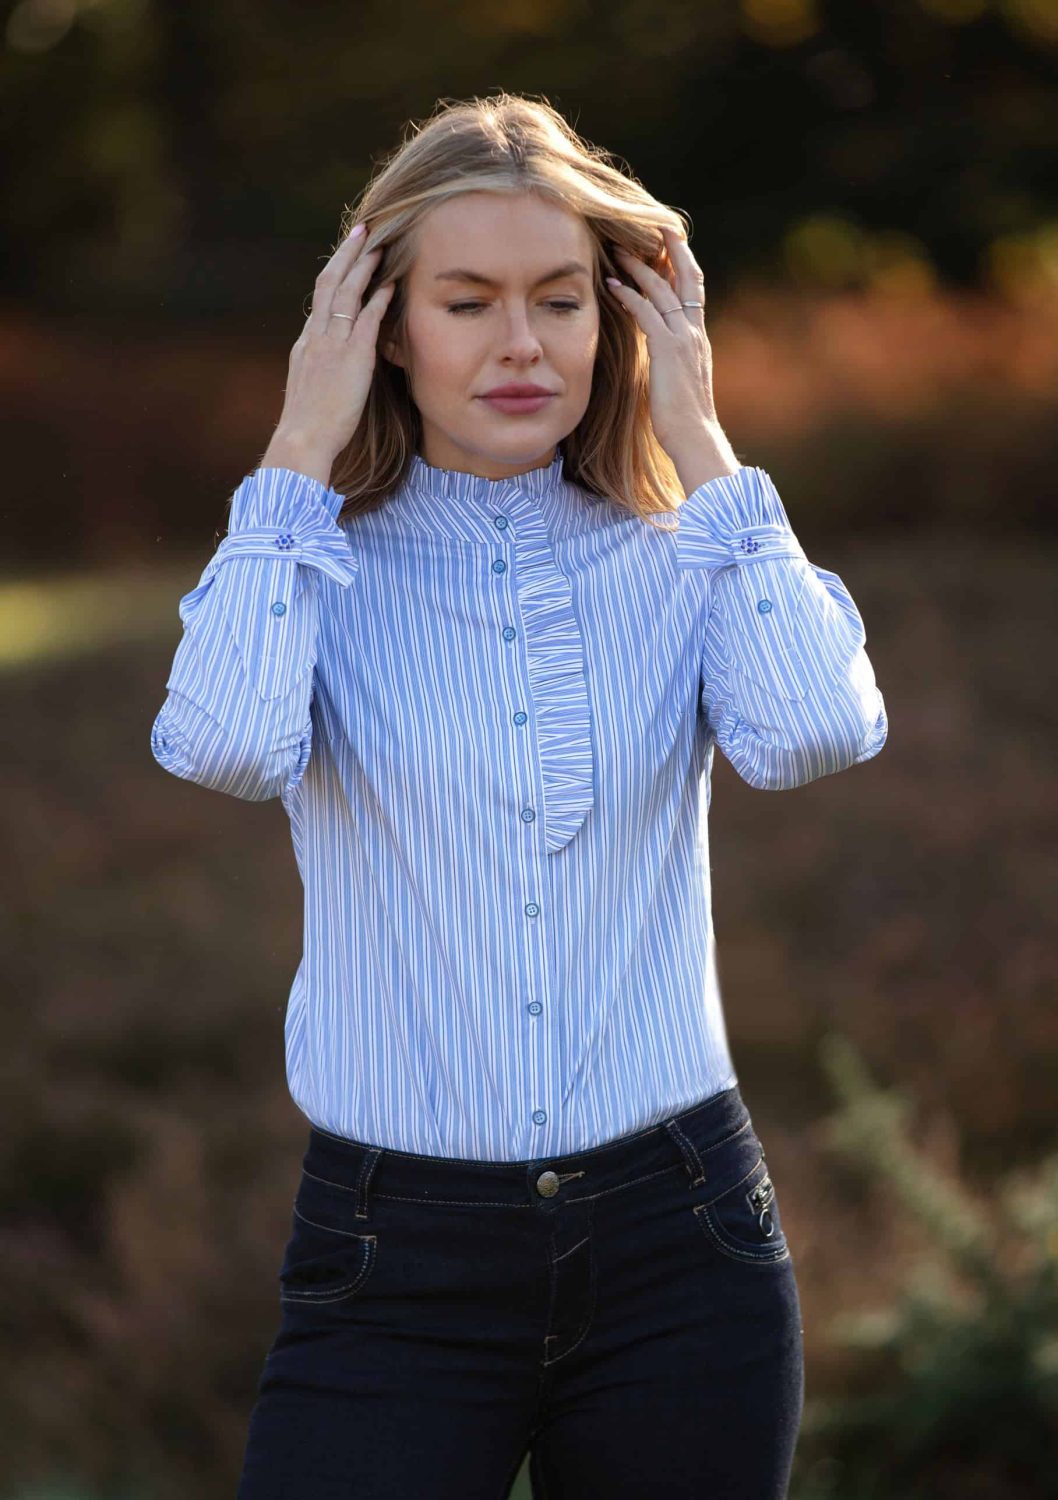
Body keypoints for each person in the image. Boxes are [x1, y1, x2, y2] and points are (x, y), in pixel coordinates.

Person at [150, 92, 887, 1499]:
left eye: (559, 298)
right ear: (382, 323)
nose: (518, 343)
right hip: (394, 1262)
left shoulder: (688, 552)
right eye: (466, 298)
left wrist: (707, 443)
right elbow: (224, 745)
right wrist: (297, 450)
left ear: (615, 317)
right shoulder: (309, 565)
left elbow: (811, 732)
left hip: (686, 1251)